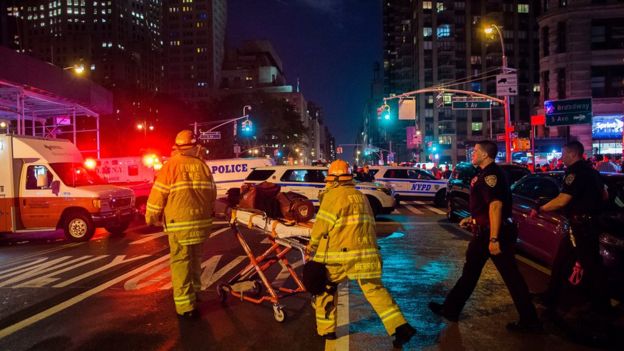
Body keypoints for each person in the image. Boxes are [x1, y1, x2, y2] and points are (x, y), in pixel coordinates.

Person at [428, 140, 541, 333]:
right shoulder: (485, 174)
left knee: (511, 277)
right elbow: (486, 205)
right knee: (470, 273)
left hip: (494, 233)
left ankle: (530, 320)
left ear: (486, 155)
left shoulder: (492, 175)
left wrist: (494, 239)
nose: (473, 153)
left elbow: (496, 205)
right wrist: (474, 218)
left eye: (476, 151)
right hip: (484, 231)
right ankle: (450, 309)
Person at [307, 159, 416, 347]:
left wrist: (312, 247)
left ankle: (327, 331)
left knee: (326, 288)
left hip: (340, 257)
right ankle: (400, 327)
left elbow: (321, 227)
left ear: (333, 180)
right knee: (375, 290)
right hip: (367, 255)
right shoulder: (361, 196)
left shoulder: (333, 197)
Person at [530, 141, 610, 316]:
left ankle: (601, 308)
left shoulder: (574, 172)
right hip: (587, 224)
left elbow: (562, 200)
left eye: (564, 154)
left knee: (591, 266)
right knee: (562, 261)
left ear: (573, 154)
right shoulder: (593, 172)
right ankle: (552, 296)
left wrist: (540, 208)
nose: (561, 157)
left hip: (582, 227)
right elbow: (605, 195)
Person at [145, 130, 216, 319]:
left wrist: (151, 217)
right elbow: (212, 194)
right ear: (195, 146)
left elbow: (158, 194)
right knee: (195, 260)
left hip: (179, 225)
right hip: (201, 223)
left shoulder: (171, 166)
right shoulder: (203, 166)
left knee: (181, 263)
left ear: (177, 146)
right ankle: (196, 294)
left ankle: (185, 306)